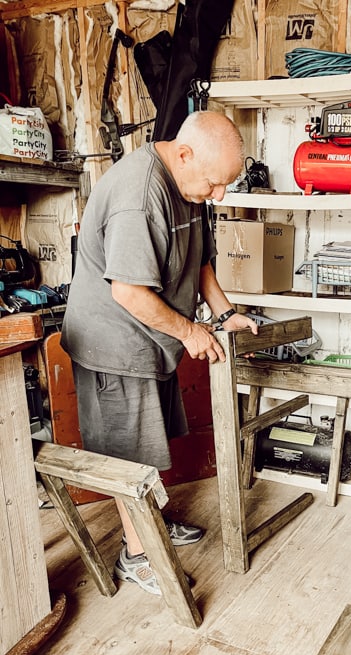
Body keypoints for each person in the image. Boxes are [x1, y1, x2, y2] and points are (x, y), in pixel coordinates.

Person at [61, 111, 258, 594]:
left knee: (149, 443)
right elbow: (128, 293)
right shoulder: (140, 196)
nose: (220, 195)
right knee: (128, 454)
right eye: (215, 184)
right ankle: (137, 554)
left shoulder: (189, 183)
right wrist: (191, 331)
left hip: (150, 338)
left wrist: (225, 312)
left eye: (225, 185)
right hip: (114, 343)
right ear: (185, 155)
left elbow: (201, 259)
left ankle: (149, 524)